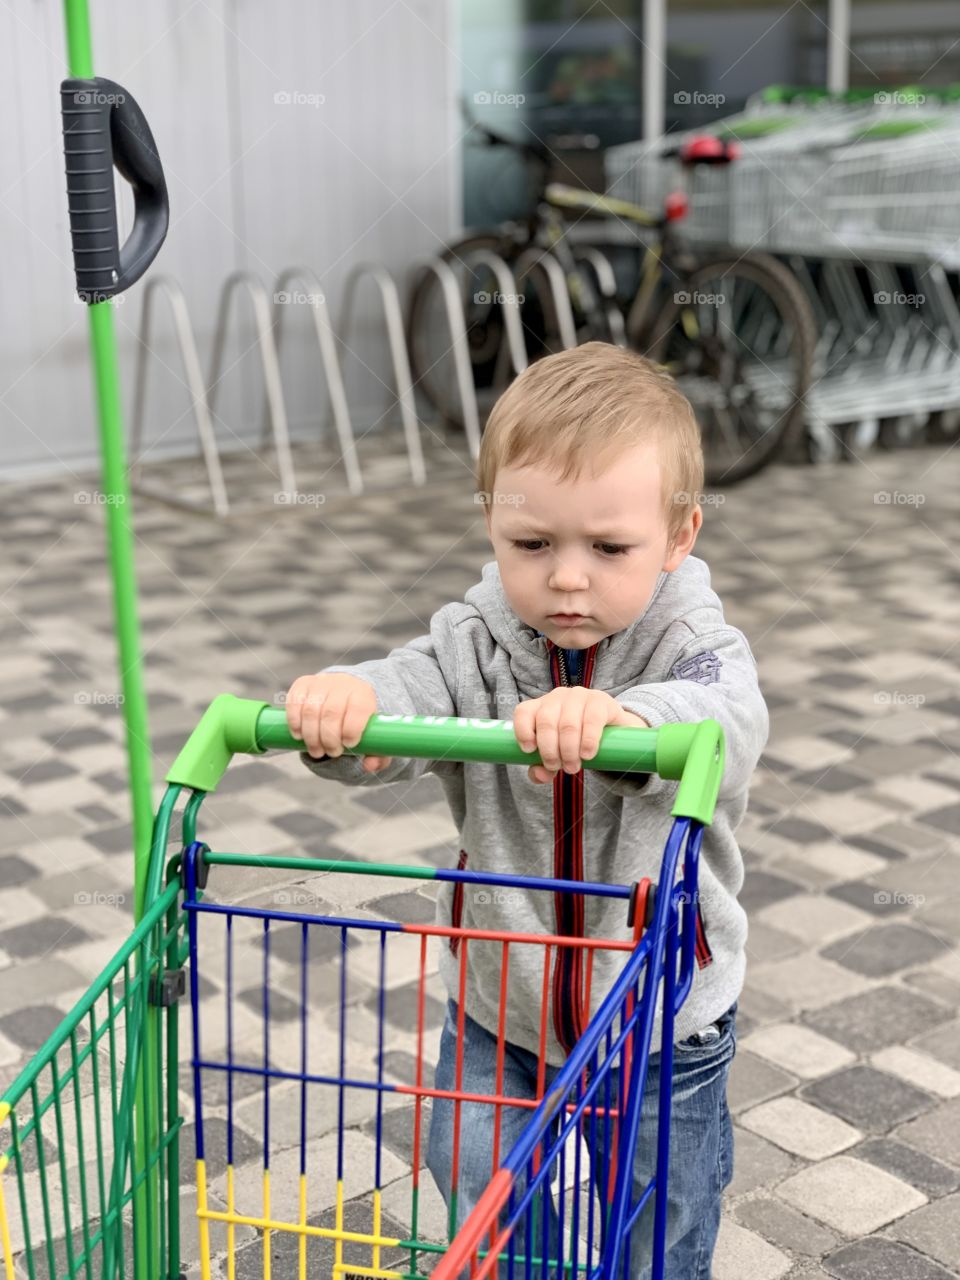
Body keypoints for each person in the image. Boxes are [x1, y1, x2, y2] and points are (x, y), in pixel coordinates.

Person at [284, 342, 769, 1279]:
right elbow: (407, 690)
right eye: (532, 545)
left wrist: (626, 716)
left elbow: (731, 714)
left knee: (660, 1211)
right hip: (499, 1004)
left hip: (660, 1014)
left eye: (608, 547)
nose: (568, 579)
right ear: (493, 527)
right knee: (472, 1164)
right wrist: (349, 706)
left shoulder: (690, 640)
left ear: (679, 537)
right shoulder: (475, 641)